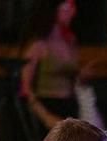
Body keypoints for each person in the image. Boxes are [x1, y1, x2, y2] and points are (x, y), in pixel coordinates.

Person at [21, 0, 82, 133]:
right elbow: (24, 86)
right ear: (54, 10)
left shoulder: (71, 41)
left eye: (73, 7)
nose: (72, 12)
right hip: (47, 108)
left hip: (69, 108)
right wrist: (45, 116)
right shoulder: (39, 44)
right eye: (67, 7)